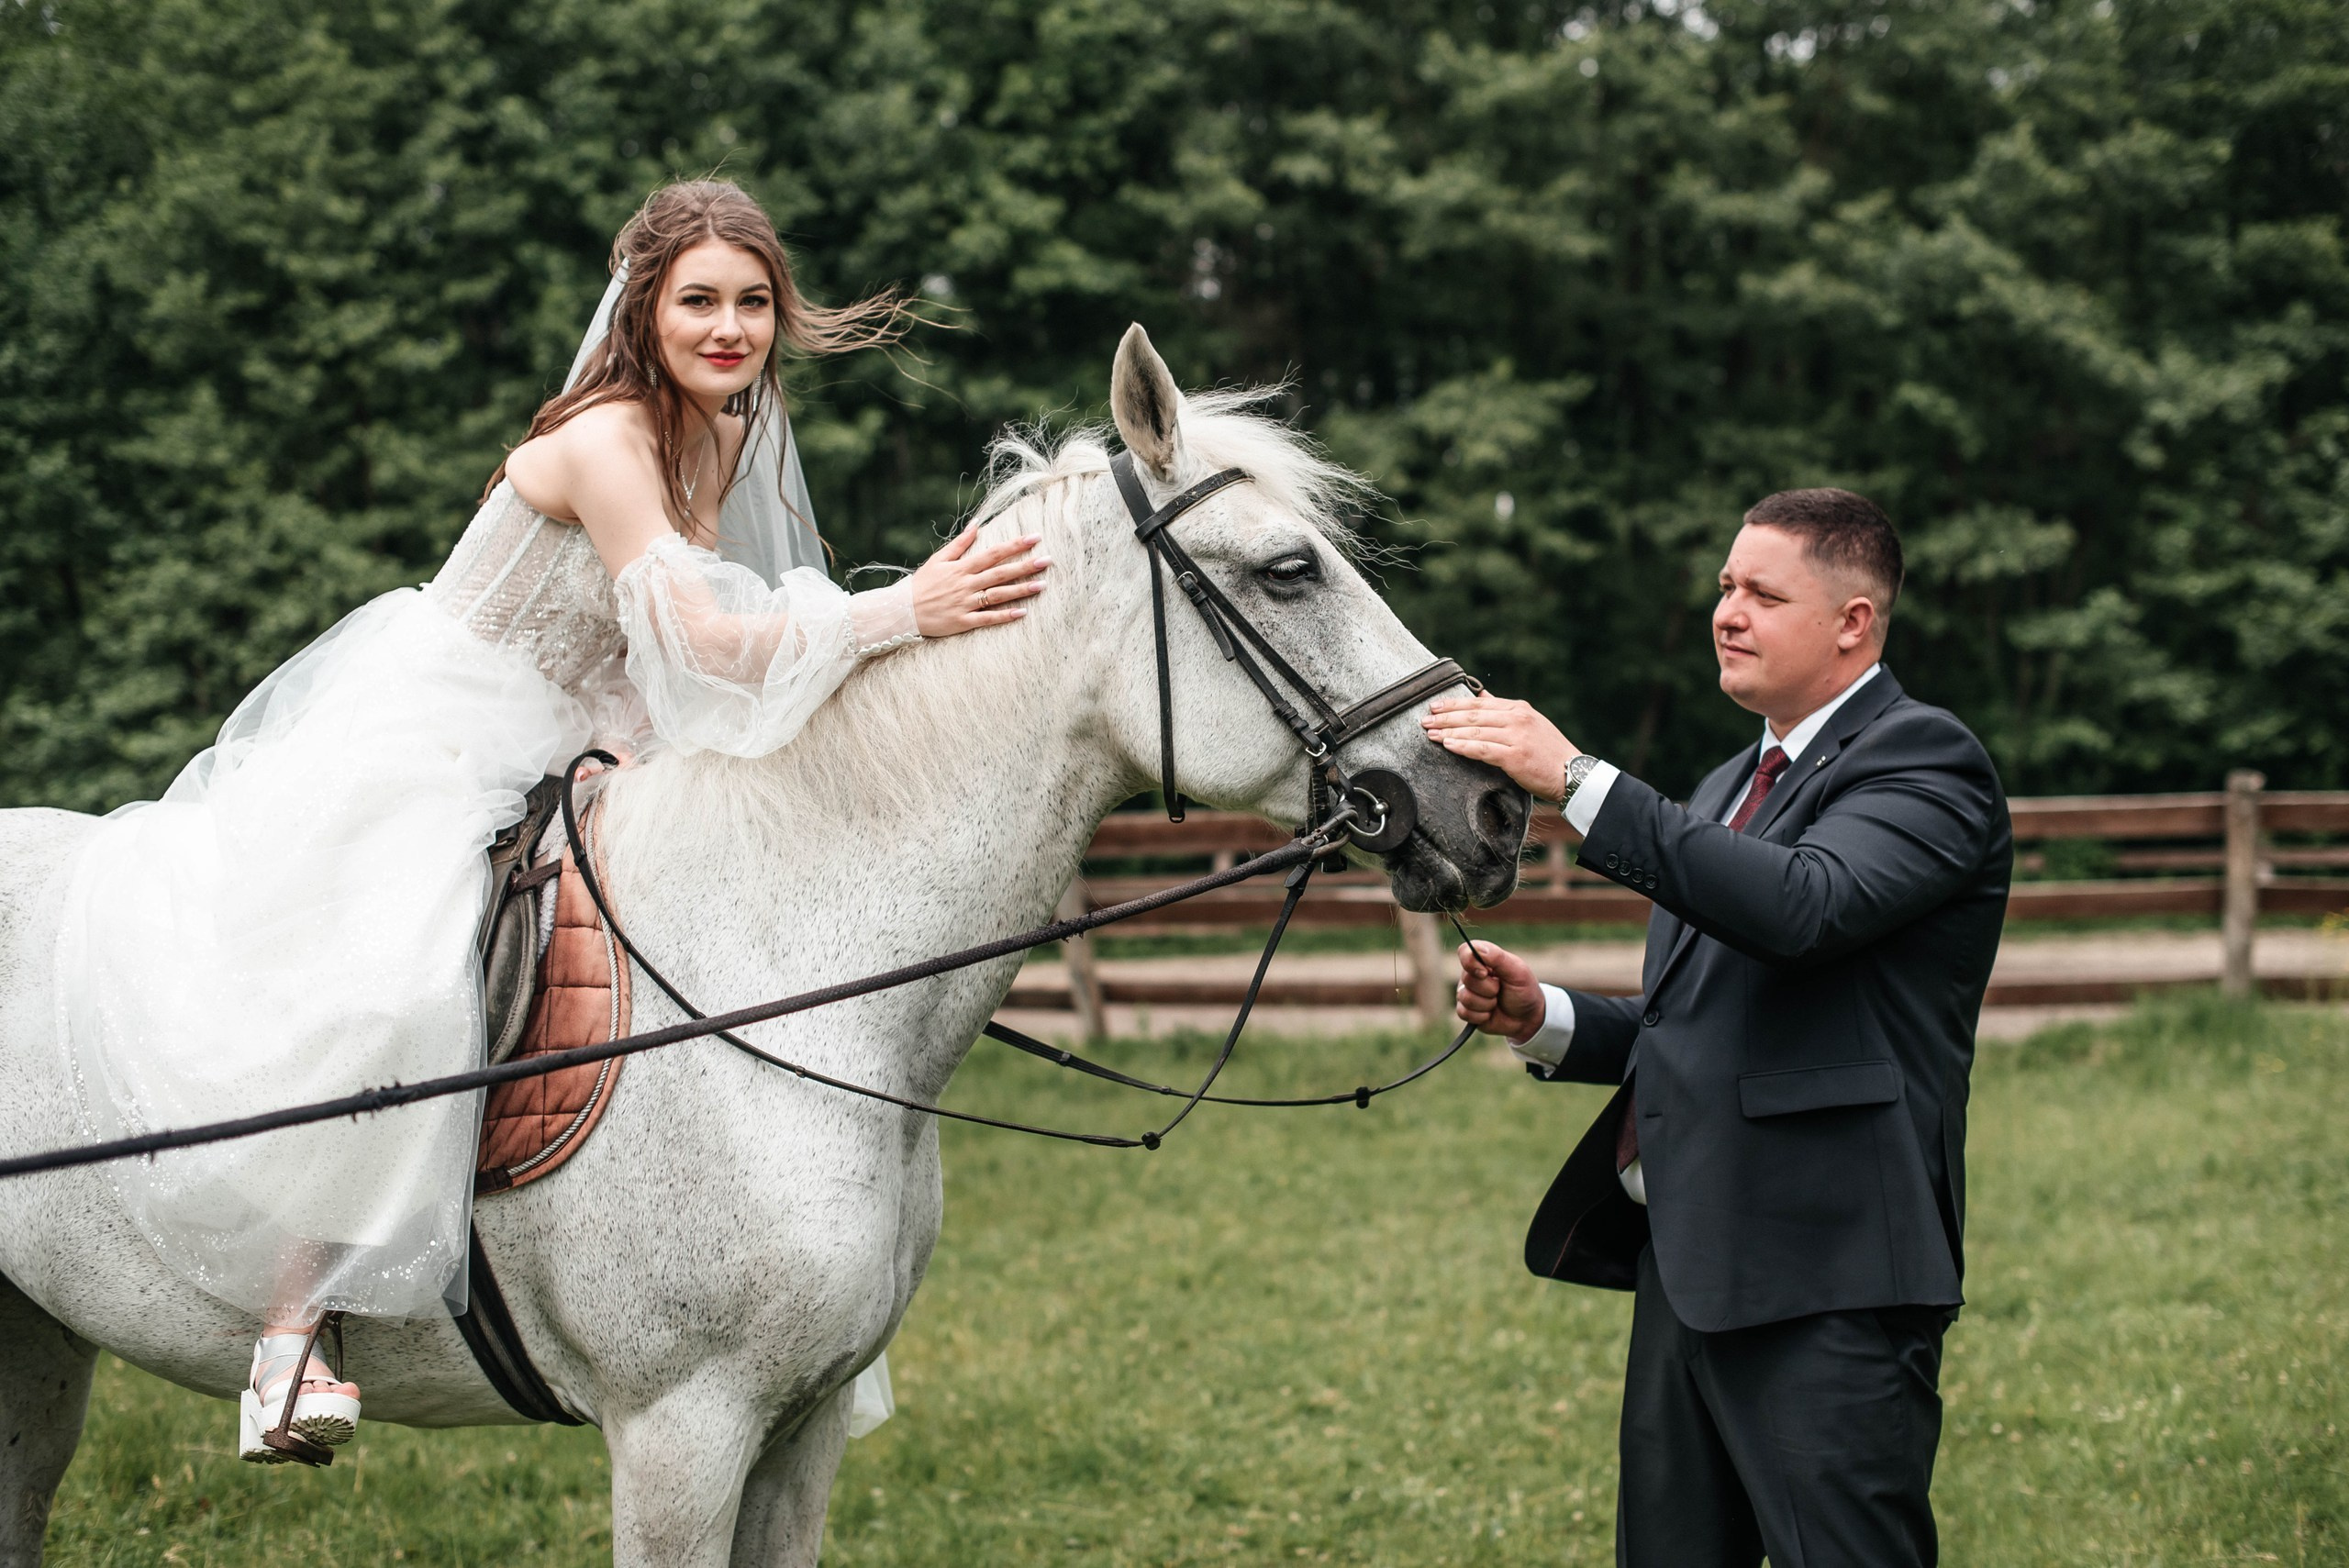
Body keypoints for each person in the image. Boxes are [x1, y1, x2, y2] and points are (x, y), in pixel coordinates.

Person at [55, 180, 1051, 1463]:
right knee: (401, 974)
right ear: (645, 307)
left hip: (573, 727)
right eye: (699, 300)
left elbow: (656, 658)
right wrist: (902, 611)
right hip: (440, 726)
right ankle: (291, 1327)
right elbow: (701, 636)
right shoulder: (609, 439)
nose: (730, 328)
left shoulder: (719, 437)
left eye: (753, 302)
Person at [1425, 489, 2010, 1567]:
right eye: (1724, 586)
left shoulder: (1925, 759)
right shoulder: (1729, 781)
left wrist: (1576, 777)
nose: (1727, 612)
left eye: (1763, 594)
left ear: (1853, 622)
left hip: (1828, 1272)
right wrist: (1545, 1016)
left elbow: (1804, 908)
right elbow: (1703, 1016)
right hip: (1690, 1263)